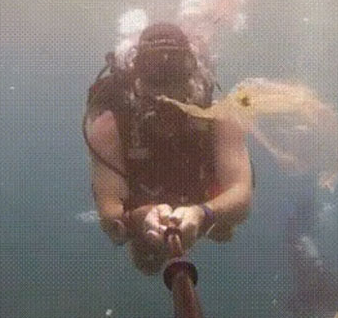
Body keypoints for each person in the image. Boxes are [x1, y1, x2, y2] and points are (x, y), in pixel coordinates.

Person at [83, 21, 253, 274]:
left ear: (192, 76)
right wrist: (138, 219)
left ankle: (204, 220)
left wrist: (203, 214)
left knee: (222, 229)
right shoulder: (109, 124)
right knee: (145, 258)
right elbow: (110, 213)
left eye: (173, 82)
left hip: (200, 200)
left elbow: (241, 193)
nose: (164, 99)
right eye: (156, 82)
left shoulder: (221, 118)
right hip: (144, 206)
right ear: (136, 77)